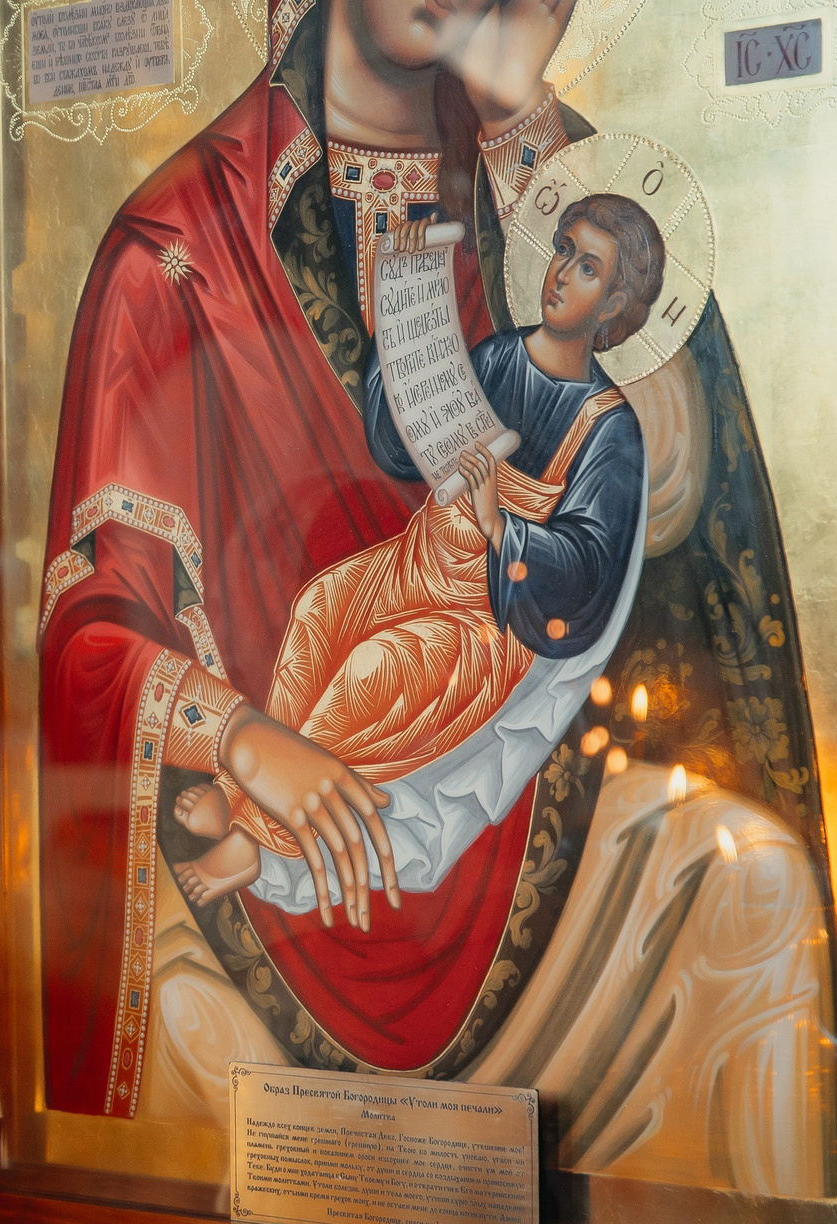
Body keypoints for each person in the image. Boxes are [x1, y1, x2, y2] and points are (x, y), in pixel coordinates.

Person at [35, 0, 829, 1195]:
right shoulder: (174, 253)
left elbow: (670, 498)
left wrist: (525, 129)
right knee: (175, 1026)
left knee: (755, 885)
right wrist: (247, 738)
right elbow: (91, 633)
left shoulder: (552, 208)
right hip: (278, 895)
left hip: (533, 841)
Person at [172, 193, 660, 905]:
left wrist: (502, 526)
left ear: (616, 302)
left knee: (373, 670)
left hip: (485, 619)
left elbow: (587, 574)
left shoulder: (609, 434)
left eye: (587, 267)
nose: (559, 273)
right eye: (562, 248)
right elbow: (399, 449)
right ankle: (241, 787)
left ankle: (255, 842)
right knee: (318, 608)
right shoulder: (498, 357)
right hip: (417, 560)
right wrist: (397, 339)